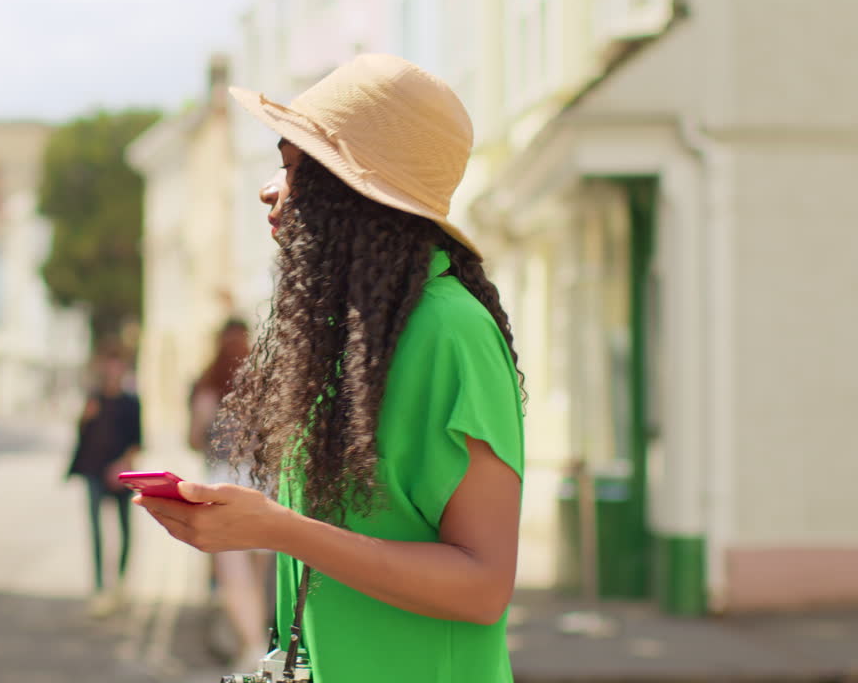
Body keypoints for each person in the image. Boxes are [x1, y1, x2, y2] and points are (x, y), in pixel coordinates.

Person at [135, 54, 526, 682]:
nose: (268, 187)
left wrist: (278, 529)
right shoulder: (349, 340)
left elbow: (482, 586)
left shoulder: (452, 332)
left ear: (354, 193)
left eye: (293, 167)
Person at [188, 318, 271, 666]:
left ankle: (252, 648)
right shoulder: (263, 384)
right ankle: (256, 645)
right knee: (257, 575)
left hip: (223, 483)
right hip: (264, 483)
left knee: (233, 575)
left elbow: (193, 437)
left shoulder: (209, 384)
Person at [66, 346, 142, 617]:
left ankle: (119, 584)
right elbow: (83, 434)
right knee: (96, 531)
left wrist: (123, 466)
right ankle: (98, 587)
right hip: (93, 471)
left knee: (124, 530)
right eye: (108, 366)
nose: (112, 371)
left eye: (116, 366)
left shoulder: (132, 402)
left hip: (120, 473)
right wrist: (84, 418)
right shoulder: (94, 398)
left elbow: (138, 441)